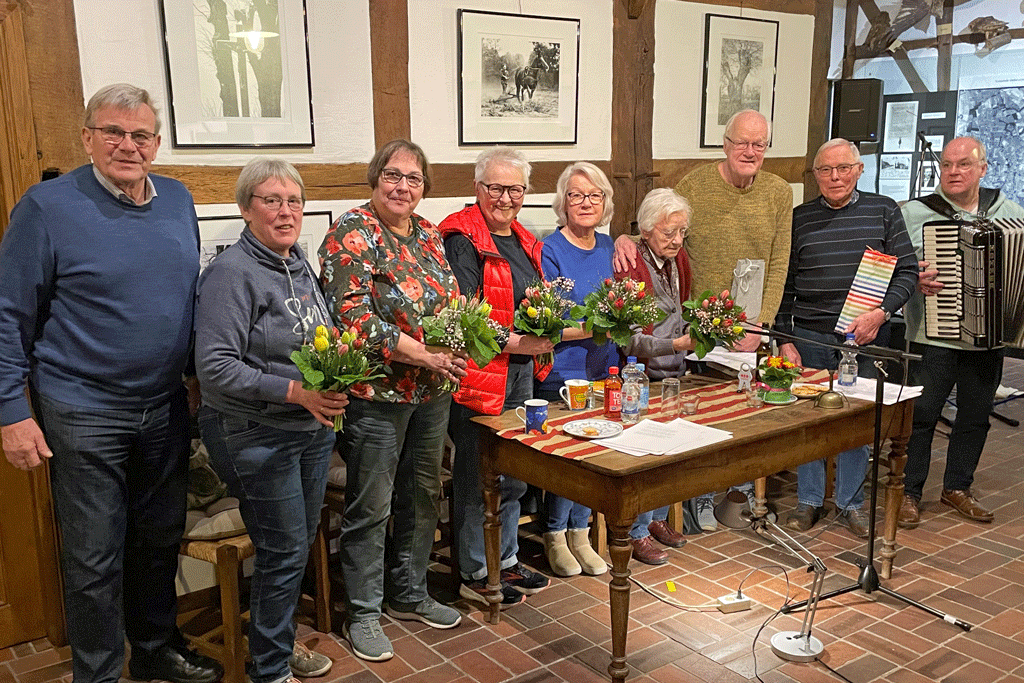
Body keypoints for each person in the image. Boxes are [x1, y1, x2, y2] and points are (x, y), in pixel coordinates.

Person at [0, 84, 222, 683]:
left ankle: (153, 651)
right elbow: (9, 314)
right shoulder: (46, 207)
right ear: (88, 138)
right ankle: (96, 673)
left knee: (157, 539)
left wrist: (194, 376)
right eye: (113, 133)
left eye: (141, 135)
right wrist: (10, 412)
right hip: (82, 408)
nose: (128, 145)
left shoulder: (177, 200)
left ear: (157, 142)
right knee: (94, 556)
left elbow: (183, 296)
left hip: (165, 405)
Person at [195, 159, 345, 683]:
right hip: (254, 431)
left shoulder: (299, 264)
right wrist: (296, 392)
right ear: (244, 208)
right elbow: (214, 368)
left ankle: (271, 644)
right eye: (271, 200)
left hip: (308, 428)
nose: (286, 212)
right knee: (283, 548)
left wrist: (347, 375)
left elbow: (316, 342)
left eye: (294, 201)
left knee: (295, 545)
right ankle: (271, 667)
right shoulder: (231, 273)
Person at [320, 139, 467, 662]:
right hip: (378, 393)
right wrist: (423, 354)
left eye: (414, 178)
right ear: (375, 177)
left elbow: (450, 303)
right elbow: (354, 320)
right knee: (372, 506)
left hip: (432, 392)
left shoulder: (428, 234)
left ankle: (409, 594)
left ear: (424, 187)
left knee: (424, 494)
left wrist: (453, 344)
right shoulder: (350, 233)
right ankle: (363, 610)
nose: (403, 186)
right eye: (393, 175)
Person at [775, 138, 917, 538]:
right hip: (808, 336)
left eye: (843, 168)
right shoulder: (799, 217)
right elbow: (783, 283)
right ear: (815, 175)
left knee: (857, 421)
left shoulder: (884, 211)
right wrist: (785, 338)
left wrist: (881, 313)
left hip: (867, 336)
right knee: (809, 421)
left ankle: (852, 503)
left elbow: (906, 271)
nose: (834, 177)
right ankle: (808, 501)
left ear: (859, 170)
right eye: (824, 170)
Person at [438, 147, 554, 607]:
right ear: (477, 188)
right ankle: (474, 569)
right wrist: (522, 343)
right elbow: (466, 315)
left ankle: (504, 559)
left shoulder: (524, 239)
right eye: (496, 187)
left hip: (520, 374)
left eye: (515, 188)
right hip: (480, 373)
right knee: (478, 473)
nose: (505, 197)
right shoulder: (462, 238)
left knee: (514, 473)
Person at [898, 136, 1024, 528]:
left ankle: (957, 487)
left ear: (982, 169)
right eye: (947, 165)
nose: (953, 172)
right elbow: (893, 265)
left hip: (989, 337)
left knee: (976, 413)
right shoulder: (915, 213)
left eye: (963, 165)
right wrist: (913, 278)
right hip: (931, 335)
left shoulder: (1010, 213)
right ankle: (909, 492)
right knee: (921, 415)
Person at [613, 109, 793, 350]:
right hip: (698, 329)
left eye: (758, 145)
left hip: (750, 329)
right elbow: (662, 227)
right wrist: (625, 239)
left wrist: (762, 324)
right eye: (741, 143)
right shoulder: (694, 185)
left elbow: (780, 264)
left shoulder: (779, 192)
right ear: (726, 145)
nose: (750, 152)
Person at [534, 162, 617, 577]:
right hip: (564, 369)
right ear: (562, 202)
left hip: (605, 365)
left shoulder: (608, 247)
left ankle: (580, 533)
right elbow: (546, 325)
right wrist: (591, 326)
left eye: (594, 195)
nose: (586, 203)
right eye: (576, 195)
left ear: (605, 203)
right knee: (567, 458)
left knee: (594, 452)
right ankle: (554, 535)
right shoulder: (549, 250)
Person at [617, 188, 694, 564]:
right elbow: (629, 341)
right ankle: (635, 530)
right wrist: (677, 343)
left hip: (675, 371)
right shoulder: (631, 264)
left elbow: (684, 308)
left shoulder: (679, 261)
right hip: (641, 374)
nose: (677, 241)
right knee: (644, 455)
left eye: (682, 232)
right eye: (669, 233)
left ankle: (656, 519)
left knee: (670, 451)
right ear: (646, 231)